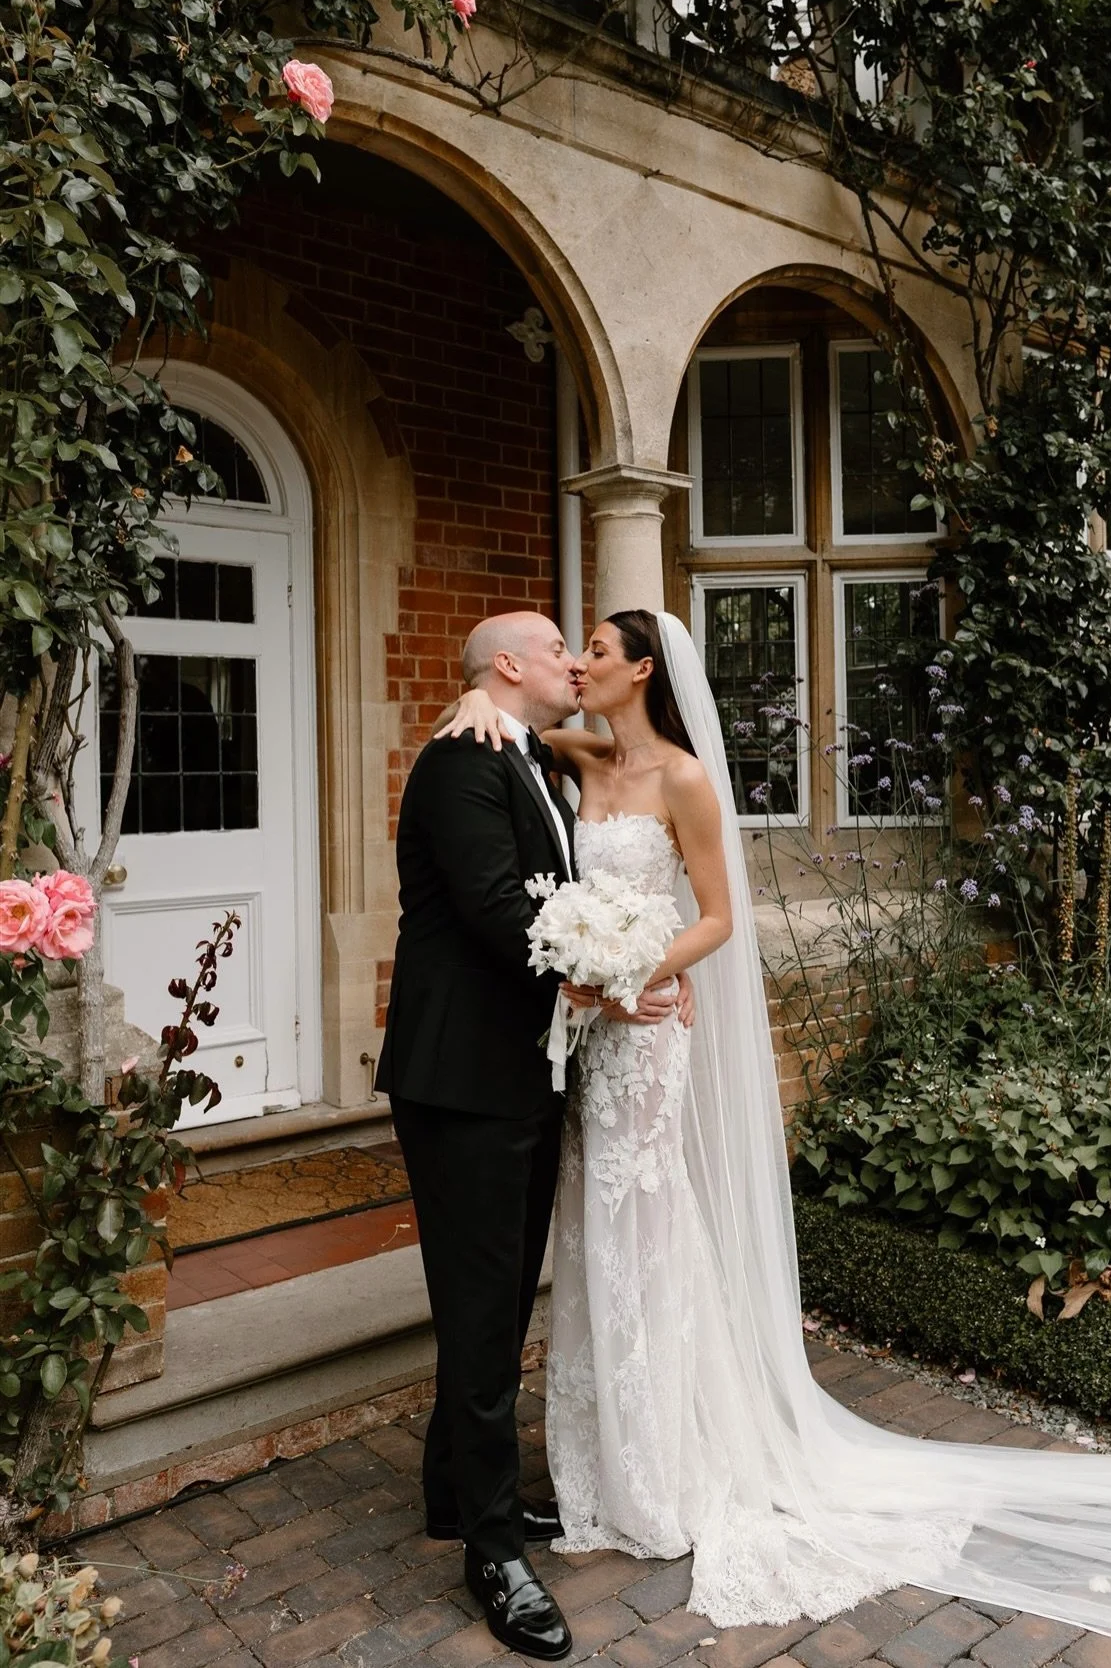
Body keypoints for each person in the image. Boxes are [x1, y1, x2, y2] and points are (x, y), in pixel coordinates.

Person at [440, 609, 1111, 1668]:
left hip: (642, 1031)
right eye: (570, 650)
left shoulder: (686, 780)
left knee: (644, 1221)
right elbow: (500, 715)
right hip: (593, 1039)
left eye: (597, 649)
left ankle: (665, 1469)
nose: (580, 661)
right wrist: (474, 691)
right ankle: (600, 1470)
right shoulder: (576, 753)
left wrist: (634, 974)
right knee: (591, 1228)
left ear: (643, 669)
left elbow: (719, 916)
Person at [377, 612, 688, 1662]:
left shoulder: (523, 751)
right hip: (462, 1078)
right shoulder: (464, 758)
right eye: (559, 646)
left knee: (501, 1300)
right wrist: (612, 986)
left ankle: (452, 1495)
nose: (573, 659)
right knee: (481, 1309)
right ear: (509, 665)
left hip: (518, 1074)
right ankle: (497, 1553)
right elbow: (499, 911)